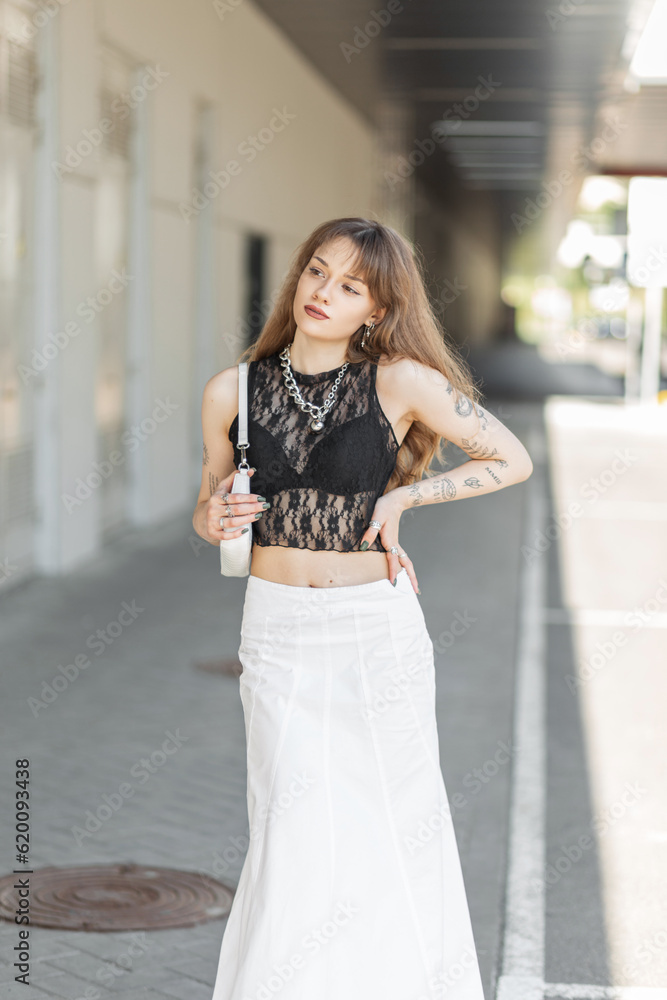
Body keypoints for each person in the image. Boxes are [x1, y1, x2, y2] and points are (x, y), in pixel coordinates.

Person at [192, 217, 533, 1000]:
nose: (324, 292)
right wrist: (211, 518)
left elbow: (509, 458)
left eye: (350, 286)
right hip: (276, 632)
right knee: (290, 830)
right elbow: (206, 503)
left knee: (389, 821)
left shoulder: (401, 381)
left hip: (373, 633)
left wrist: (409, 494)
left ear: (375, 310)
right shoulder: (230, 390)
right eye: (317, 272)